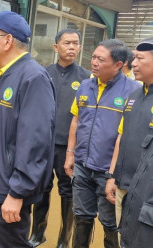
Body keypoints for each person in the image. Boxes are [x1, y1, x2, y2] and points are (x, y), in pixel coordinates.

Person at [0, 11, 56, 248]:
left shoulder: (33, 77)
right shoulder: (1, 74)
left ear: (7, 40)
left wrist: (17, 192)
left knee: (9, 243)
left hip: (10, 186)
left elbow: (35, 141)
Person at [64, 39, 140, 248]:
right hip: (81, 165)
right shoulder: (85, 86)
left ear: (119, 65)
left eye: (101, 59)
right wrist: (70, 154)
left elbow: (125, 136)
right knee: (81, 216)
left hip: (108, 172)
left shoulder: (133, 92)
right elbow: (76, 119)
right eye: (93, 57)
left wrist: (113, 175)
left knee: (110, 223)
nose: (94, 62)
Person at [29, 28, 90, 248]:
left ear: (80, 47)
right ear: (56, 47)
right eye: (67, 43)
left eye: (75, 43)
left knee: (68, 192)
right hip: (43, 144)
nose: (72, 47)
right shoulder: (43, 73)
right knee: (41, 188)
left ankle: (64, 239)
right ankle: (38, 232)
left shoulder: (86, 79)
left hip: (68, 147)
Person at [105, 38, 152, 246]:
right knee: (125, 239)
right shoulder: (133, 96)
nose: (133, 63)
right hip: (124, 187)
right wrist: (113, 177)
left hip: (147, 196)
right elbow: (122, 138)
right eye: (134, 58)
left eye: (140, 59)